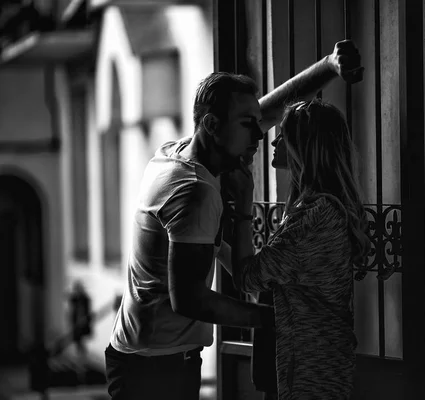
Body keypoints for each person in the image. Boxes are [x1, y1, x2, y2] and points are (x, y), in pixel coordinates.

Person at [104, 40, 364, 400]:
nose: (261, 135)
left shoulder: (174, 153)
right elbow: (191, 299)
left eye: (263, 127)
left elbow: (267, 111)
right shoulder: (196, 192)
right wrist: (275, 320)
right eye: (249, 125)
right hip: (155, 367)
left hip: (147, 354)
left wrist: (329, 66)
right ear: (212, 125)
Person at [230, 99, 371, 400]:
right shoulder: (312, 209)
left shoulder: (315, 219)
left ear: (303, 146)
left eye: (284, 134)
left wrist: (243, 205)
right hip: (312, 366)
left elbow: (249, 279)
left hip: (312, 374)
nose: (275, 140)